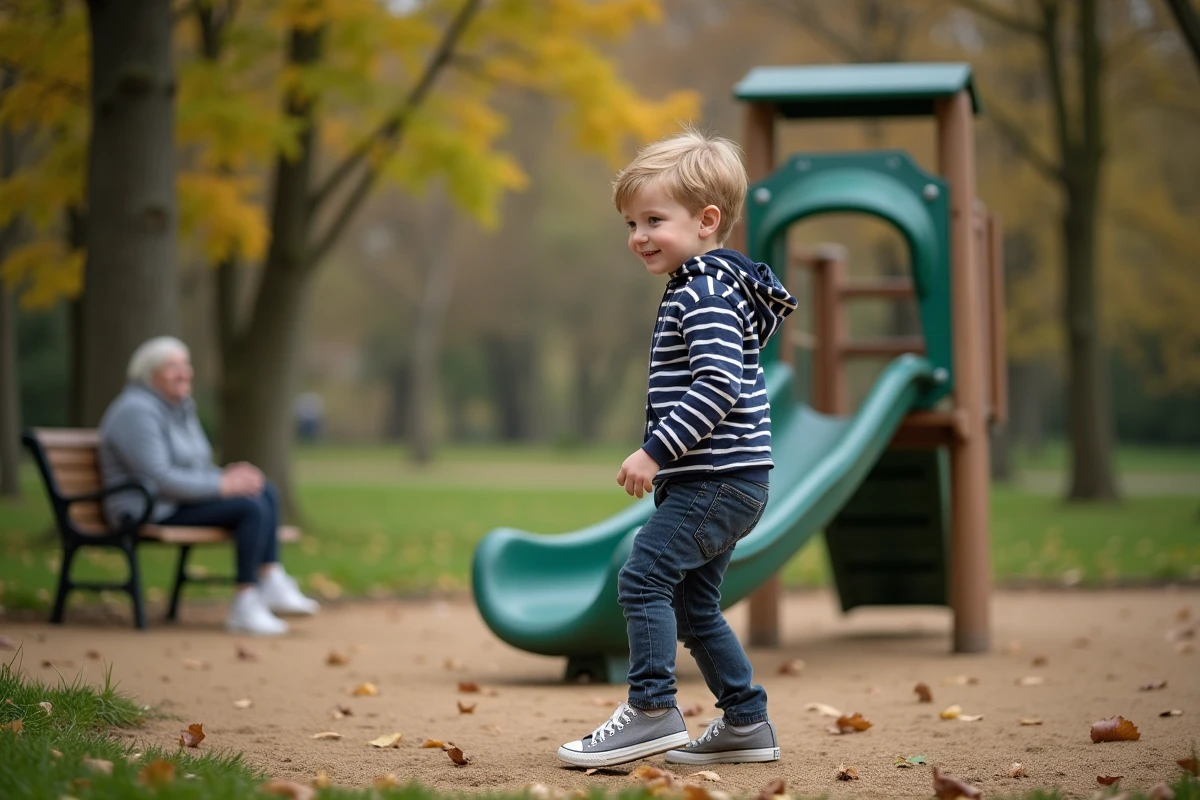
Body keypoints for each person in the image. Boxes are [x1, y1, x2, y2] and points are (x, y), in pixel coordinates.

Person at [556, 129, 797, 769]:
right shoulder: (706, 284)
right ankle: (747, 722)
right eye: (632, 222)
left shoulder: (705, 291)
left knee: (642, 577)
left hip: (714, 479)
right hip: (727, 479)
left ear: (706, 220)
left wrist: (656, 451)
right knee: (693, 604)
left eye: (653, 220)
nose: (638, 235)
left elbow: (717, 382)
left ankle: (653, 710)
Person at [98, 336, 319, 636]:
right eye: (172, 366)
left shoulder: (179, 408)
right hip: (147, 508)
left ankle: (270, 578)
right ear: (149, 374)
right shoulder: (135, 411)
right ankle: (245, 602)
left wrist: (230, 478)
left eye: (185, 365)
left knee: (262, 489)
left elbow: (197, 465)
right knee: (249, 507)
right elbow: (158, 478)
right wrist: (221, 485)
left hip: (175, 501)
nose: (184, 372)